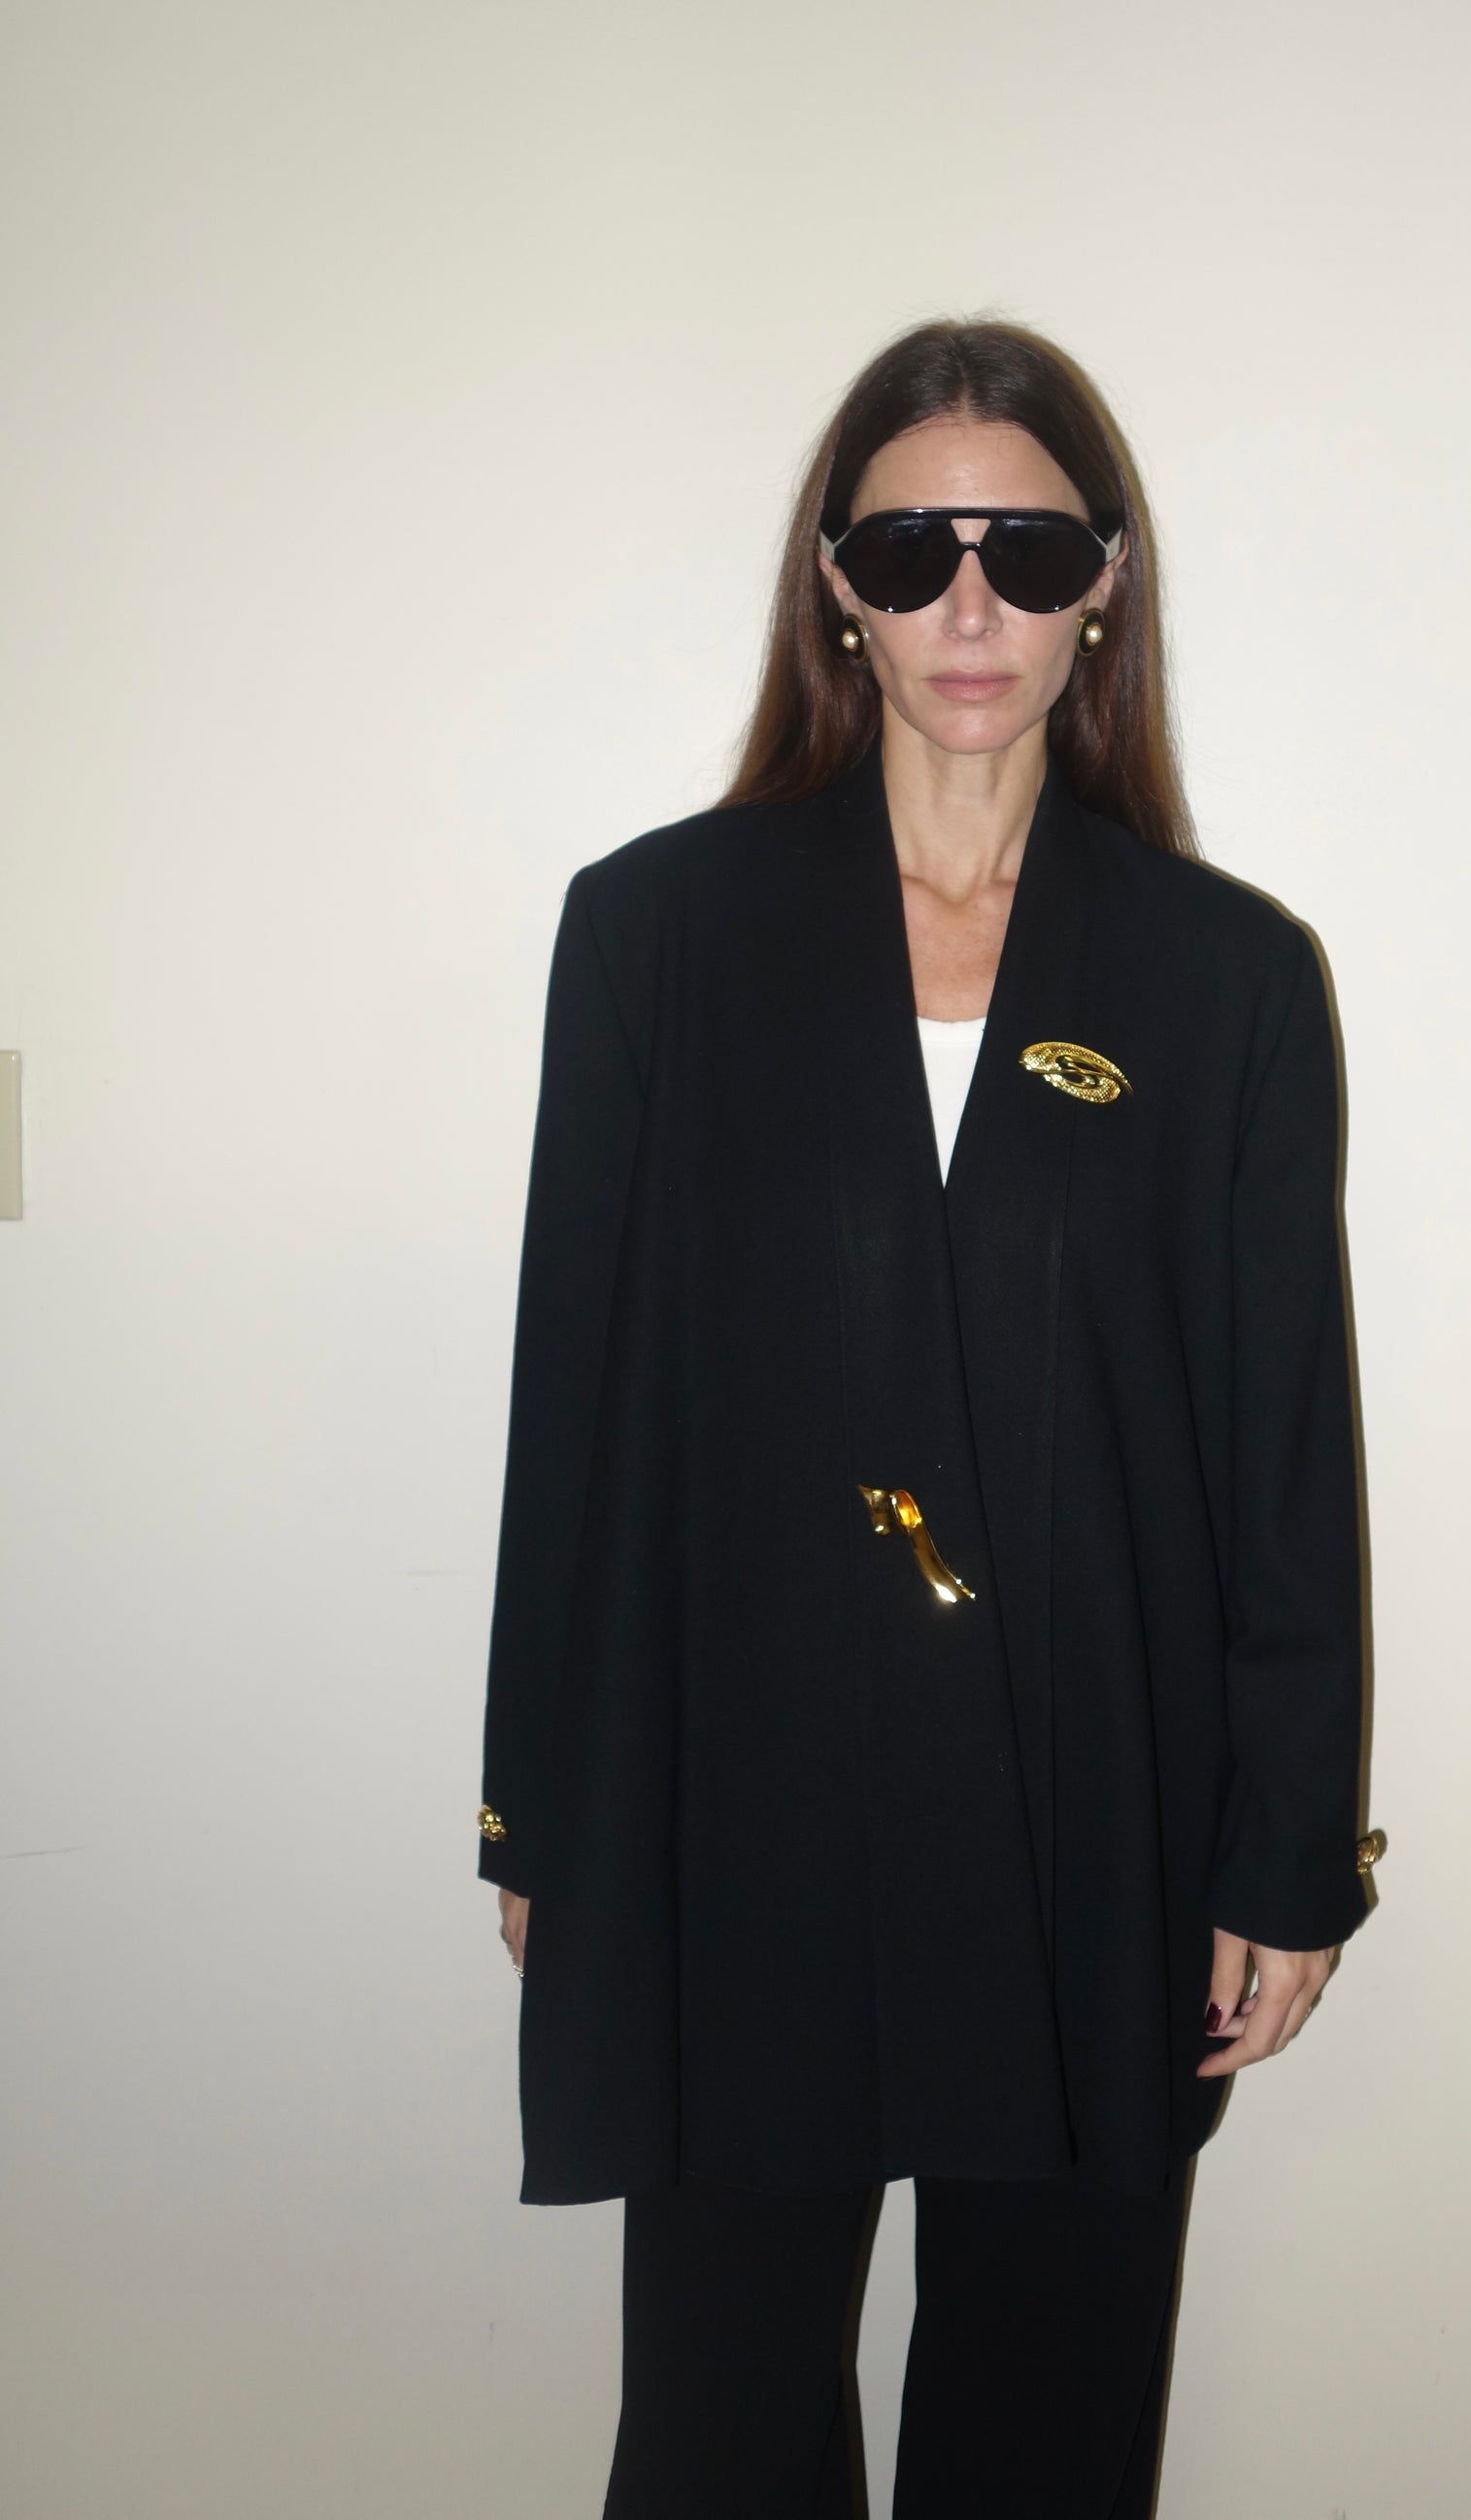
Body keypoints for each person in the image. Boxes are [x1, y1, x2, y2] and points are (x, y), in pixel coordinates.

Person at [475, 317, 1384, 2519]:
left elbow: (1278, 1441)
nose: (969, 603)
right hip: (741, 1787)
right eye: (911, 548)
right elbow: (576, 1397)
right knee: (718, 2428)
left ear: (1105, 584)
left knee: (1047, 2428)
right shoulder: (656, 936)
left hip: (1095, 1789)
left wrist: (1284, 1845)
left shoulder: (1228, 978)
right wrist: (544, 1819)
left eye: (1026, 548)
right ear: (836, 585)